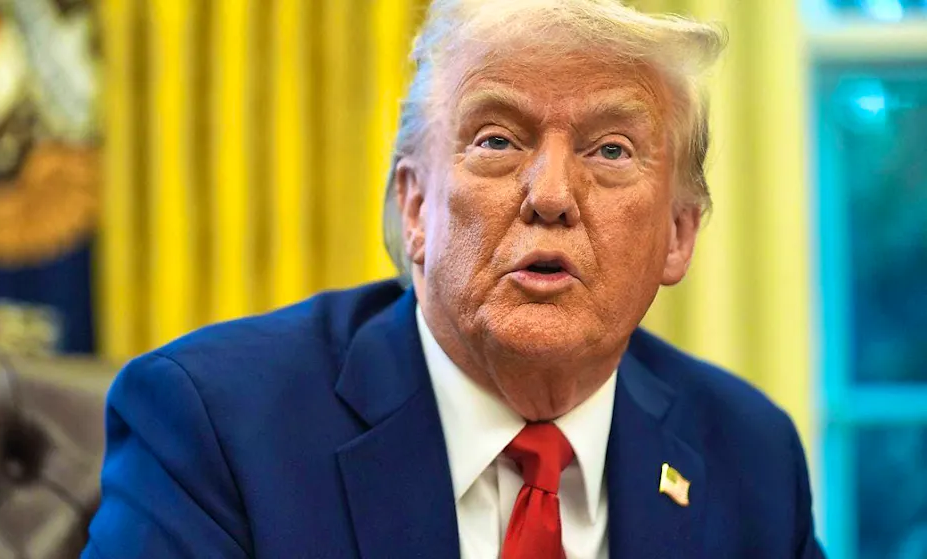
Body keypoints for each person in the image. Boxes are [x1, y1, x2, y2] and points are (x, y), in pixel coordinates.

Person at [84, 0, 825, 557]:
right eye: (497, 139)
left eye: (611, 150)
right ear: (414, 207)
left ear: (677, 234)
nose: (552, 195)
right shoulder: (215, 427)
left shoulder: (749, 456)